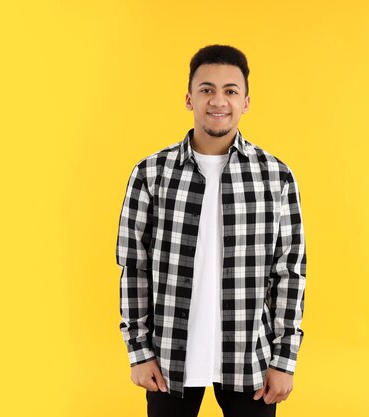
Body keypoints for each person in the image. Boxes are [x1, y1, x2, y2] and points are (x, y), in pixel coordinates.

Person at [115, 44, 307, 417]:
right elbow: (133, 267)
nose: (218, 101)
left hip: (250, 360)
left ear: (246, 101)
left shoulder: (276, 176)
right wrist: (138, 352)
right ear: (189, 98)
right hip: (169, 358)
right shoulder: (151, 174)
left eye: (230, 91)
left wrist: (285, 359)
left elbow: (290, 272)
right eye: (206, 89)